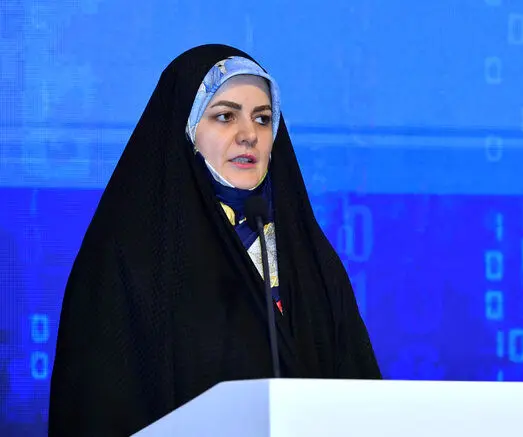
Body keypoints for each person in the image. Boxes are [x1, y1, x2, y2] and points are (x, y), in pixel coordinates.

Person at [48, 44, 381, 436]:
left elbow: (365, 403)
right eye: (225, 116)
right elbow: (95, 409)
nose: (249, 135)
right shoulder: (126, 260)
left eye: (263, 119)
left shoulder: (310, 259)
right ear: (187, 131)